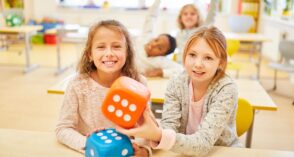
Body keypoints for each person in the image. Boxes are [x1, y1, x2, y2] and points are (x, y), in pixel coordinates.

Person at [117, 26, 241, 156]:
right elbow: (169, 126)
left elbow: (203, 143)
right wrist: (150, 146)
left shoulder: (226, 89)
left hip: (222, 152)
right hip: (184, 152)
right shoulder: (177, 83)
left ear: (221, 62)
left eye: (208, 58)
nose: (198, 64)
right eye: (192, 55)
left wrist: (158, 134)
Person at [55, 20, 150, 156]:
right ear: (89, 55)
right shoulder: (77, 84)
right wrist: (88, 144)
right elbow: (63, 129)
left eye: (116, 46)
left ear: (127, 52)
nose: (109, 53)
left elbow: (148, 128)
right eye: (101, 47)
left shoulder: (139, 83)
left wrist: (144, 149)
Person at [136, 0, 183, 78]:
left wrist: (161, 72)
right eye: (156, 40)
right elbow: (151, 16)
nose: (154, 44)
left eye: (159, 48)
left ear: (163, 55)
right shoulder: (146, 36)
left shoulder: (159, 61)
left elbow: (181, 70)